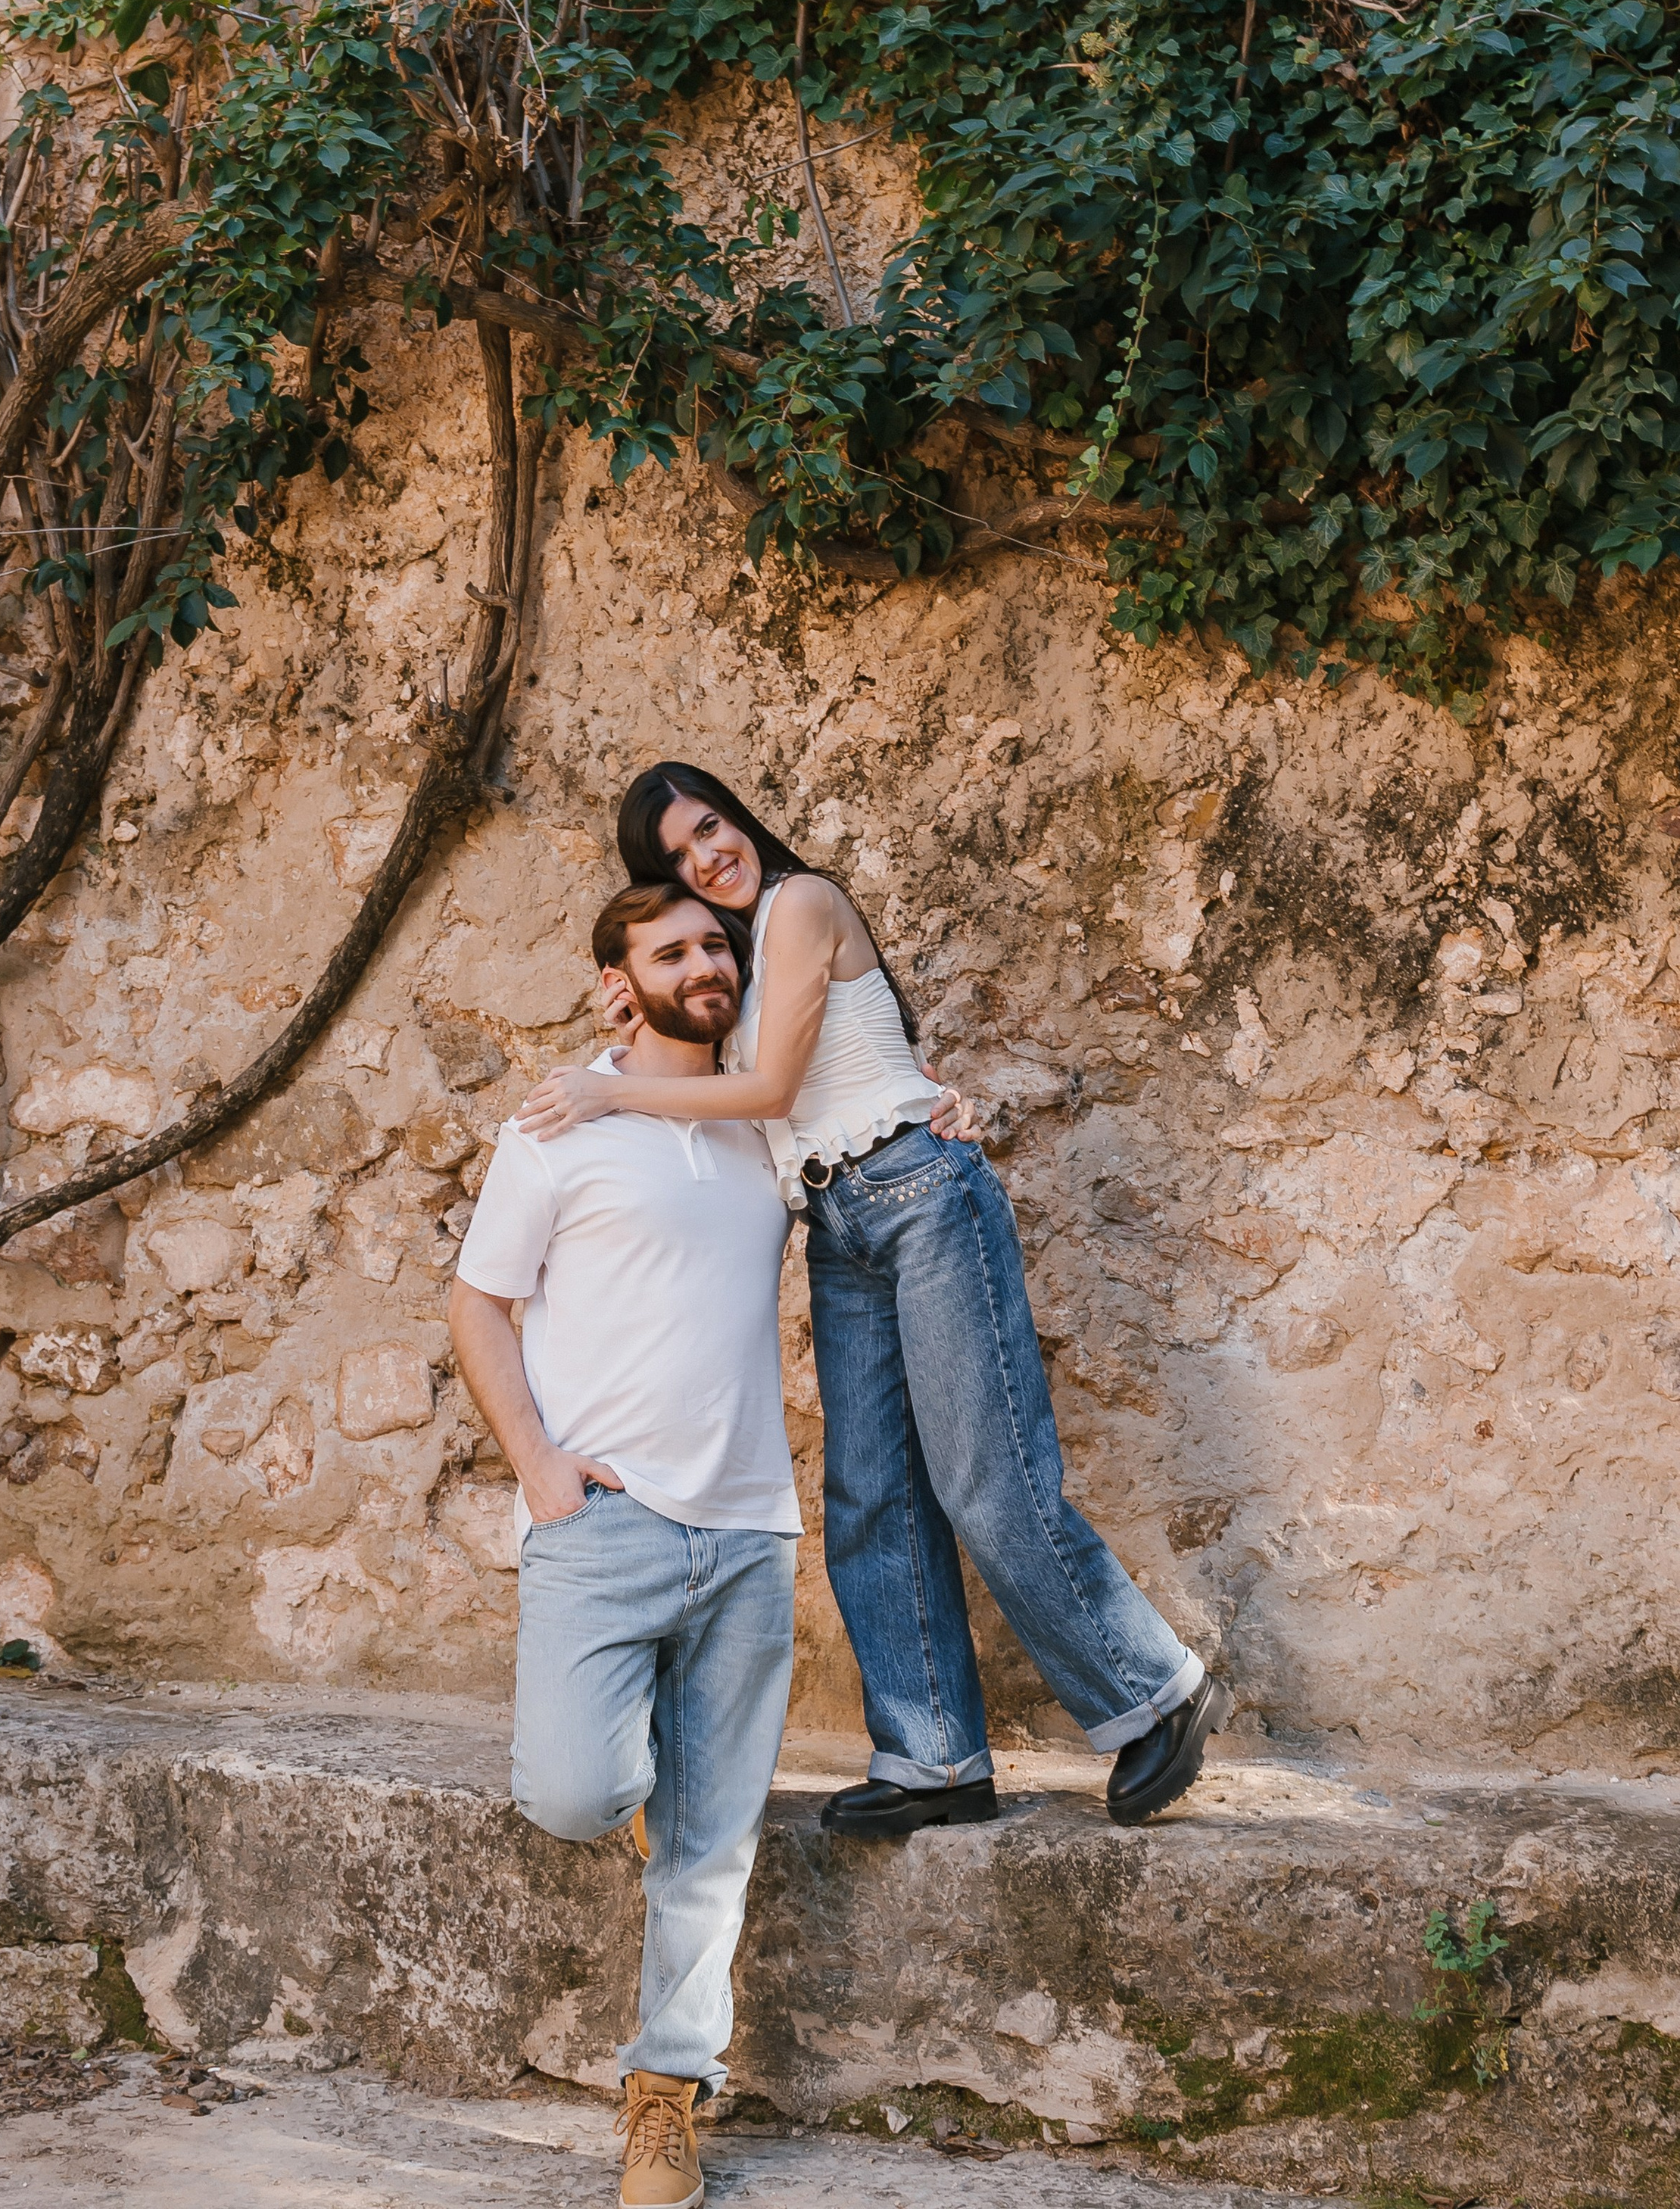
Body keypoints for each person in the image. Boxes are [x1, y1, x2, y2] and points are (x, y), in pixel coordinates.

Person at [517, 763, 1228, 1838]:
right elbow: (733, 1078)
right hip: (840, 1225)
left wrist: (607, 1085)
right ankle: (934, 1754)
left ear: (738, 818)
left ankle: (1159, 1694)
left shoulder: (802, 903)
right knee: (867, 1497)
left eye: (710, 828)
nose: (709, 858)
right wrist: (623, 1028)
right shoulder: (739, 968)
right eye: (679, 860)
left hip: (919, 1196)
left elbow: (770, 1094)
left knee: (984, 1477)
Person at [450, 879, 801, 2209]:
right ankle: (636, 1768)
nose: (707, 964)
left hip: (751, 1530)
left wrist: (942, 1109)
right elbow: (477, 1306)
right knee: (578, 1795)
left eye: (719, 944)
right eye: (675, 951)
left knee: (713, 1843)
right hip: (606, 1524)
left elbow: (867, 1137)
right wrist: (537, 1465)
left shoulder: (768, 1122)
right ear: (619, 985)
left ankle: (664, 2100)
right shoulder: (557, 1127)